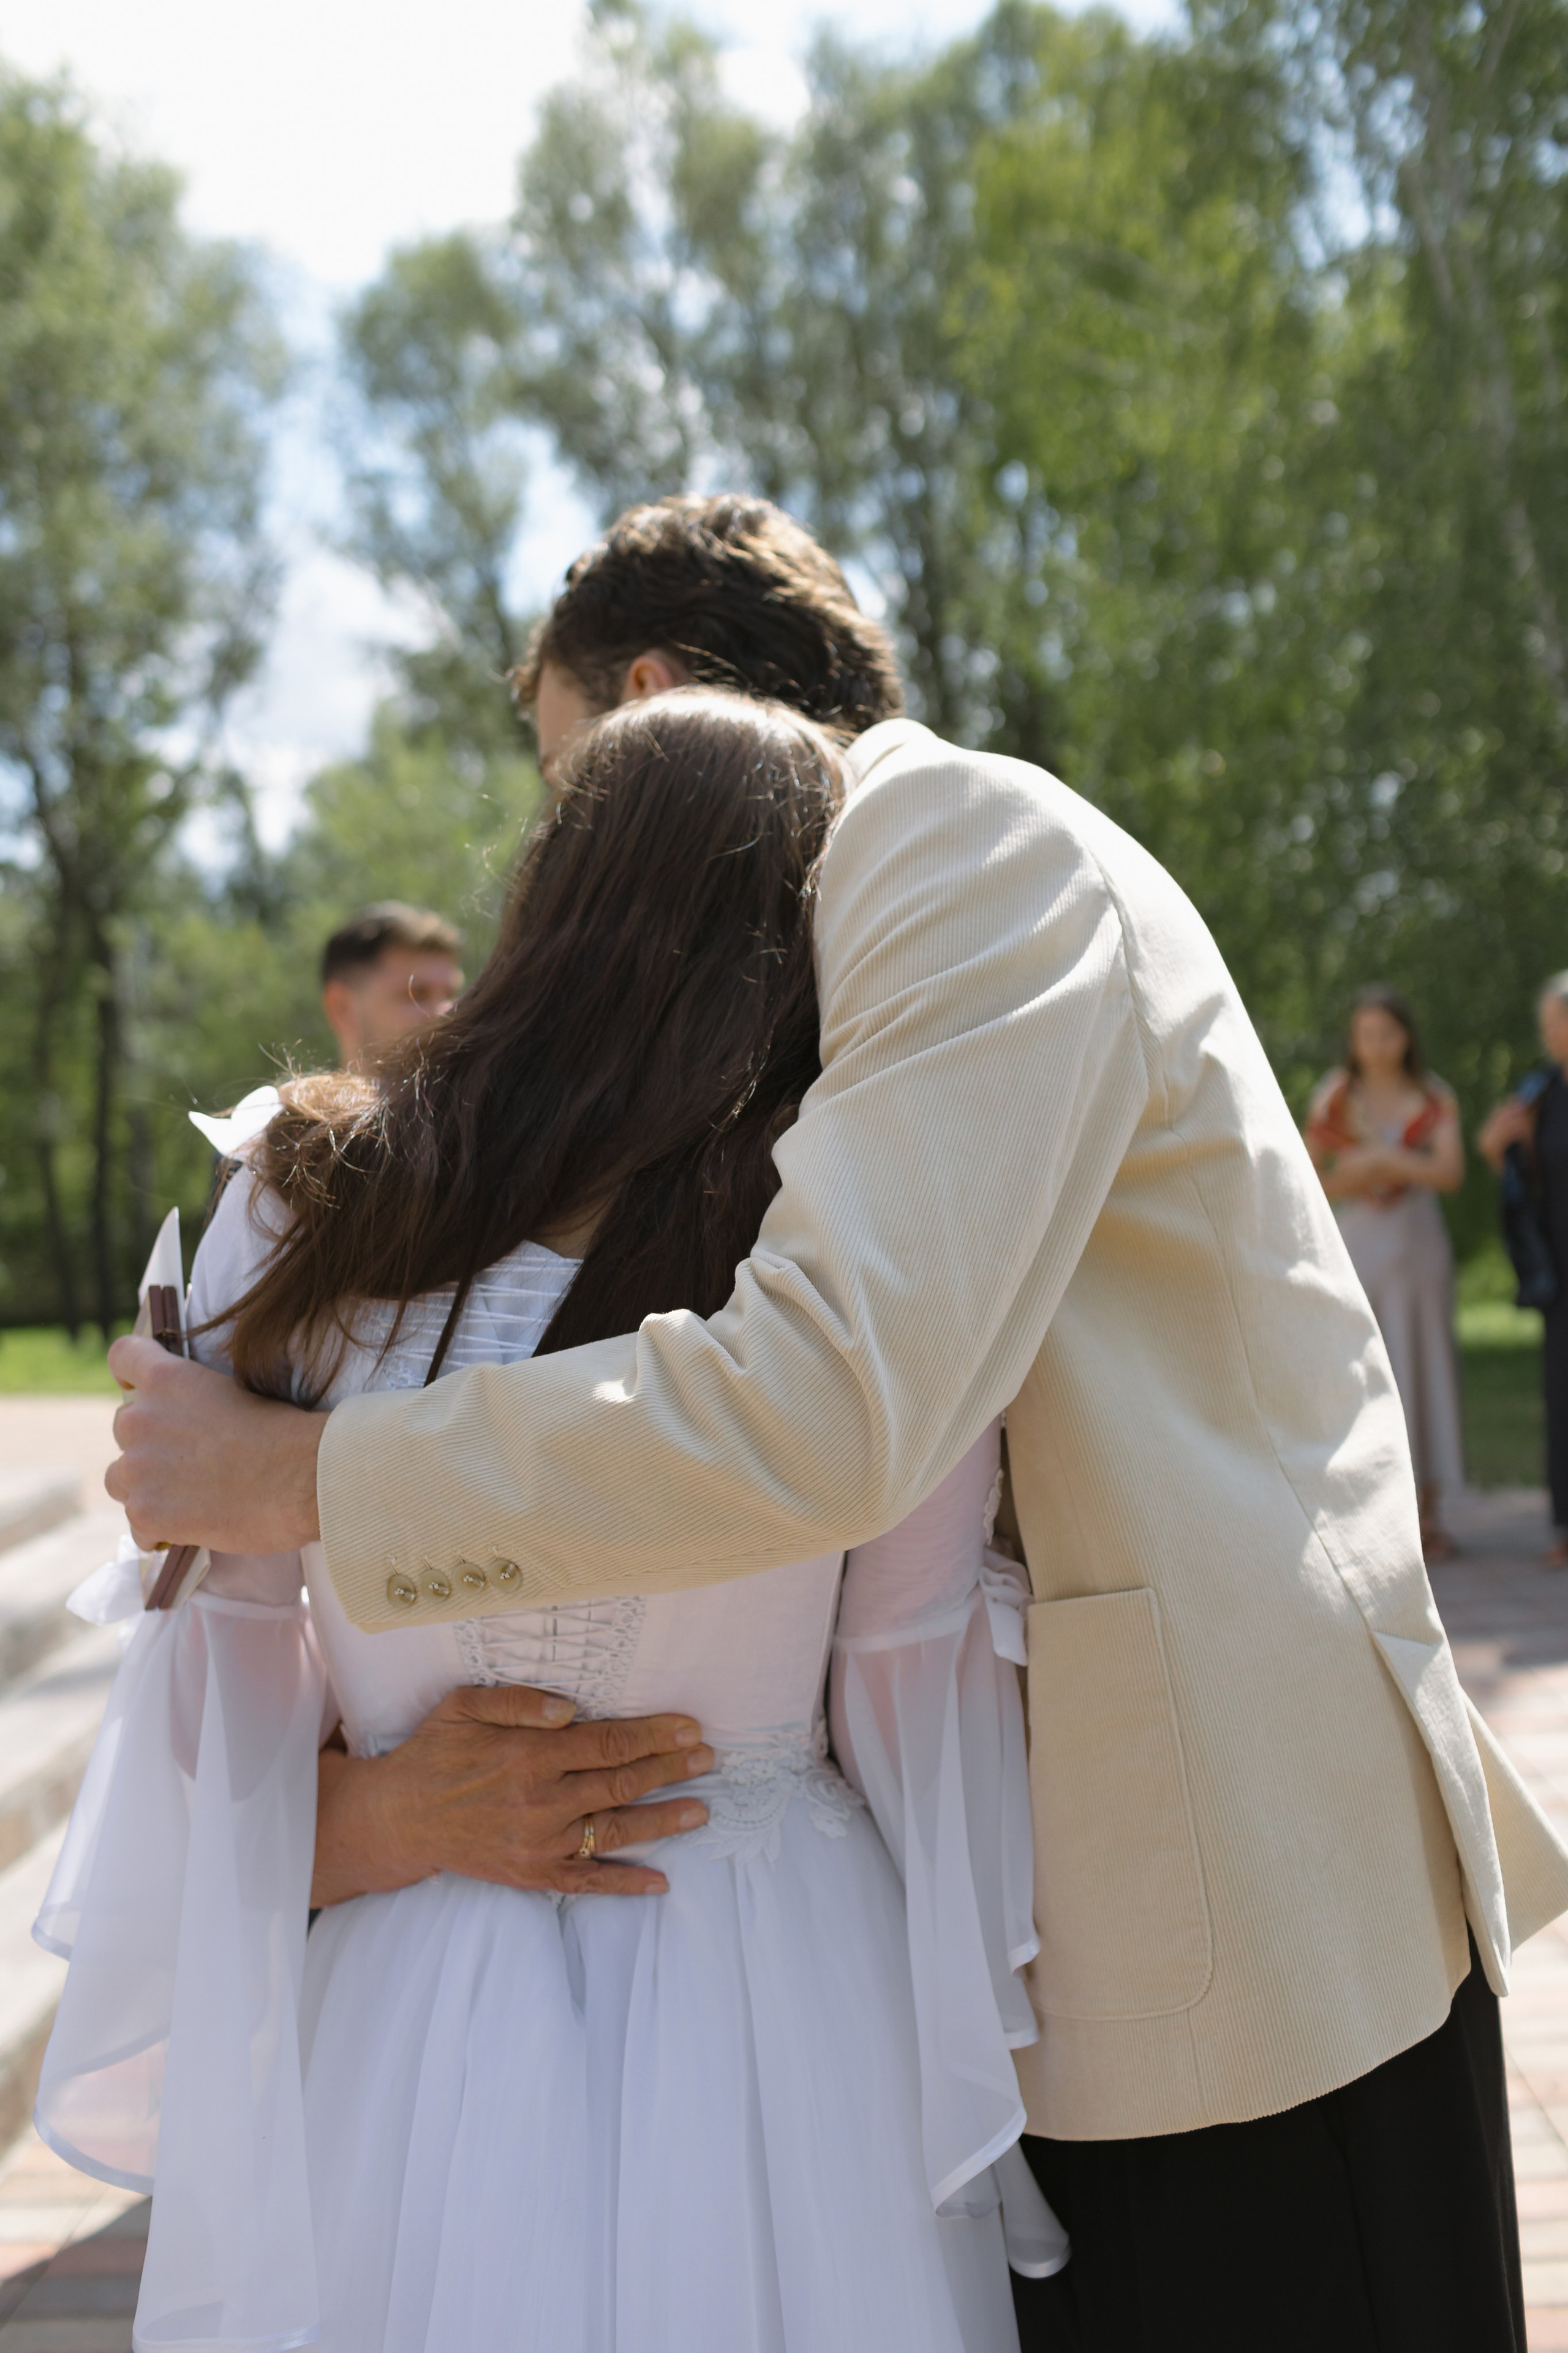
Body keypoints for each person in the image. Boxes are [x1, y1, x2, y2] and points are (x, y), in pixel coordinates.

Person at [105, 494, 1568, 2353]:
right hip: (1017, 1922)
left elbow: (829, 1396)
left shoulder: (946, 837)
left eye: (552, 767)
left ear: (639, 702)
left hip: (1208, 1905)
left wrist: (309, 1479)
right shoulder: (789, 975)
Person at [39, 693, 1058, 2352]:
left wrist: (381, 1824)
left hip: (408, 1996)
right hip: (776, 1992)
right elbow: (907, 1684)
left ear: (549, 897)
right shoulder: (855, 1246)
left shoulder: (299, 1208)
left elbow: (204, 1733)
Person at [1305, 987, 1466, 1561]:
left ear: (1405, 1037)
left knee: (1422, 1368)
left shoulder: (1432, 1096)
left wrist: (1383, 1161)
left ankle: (1429, 1514)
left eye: (1387, 1033)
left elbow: (1449, 1171)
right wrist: (1368, 1172)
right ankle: (1367, 1514)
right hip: (1360, 1246)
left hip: (1418, 1247)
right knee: (1362, 1372)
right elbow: (1309, 1174)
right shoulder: (1337, 1098)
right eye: (1365, 1033)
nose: (1375, 1045)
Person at [1480, 972, 1568, 1565]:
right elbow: (1518, 1176)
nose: (1553, 1035)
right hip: (1558, 1266)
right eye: (1548, 1026)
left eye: (1559, 1021)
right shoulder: (1540, 1094)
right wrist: (1495, 1148)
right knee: (1561, 1392)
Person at [319, 902, 464, 1068]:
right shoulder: (292, 1094)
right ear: (342, 1008)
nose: (445, 1014)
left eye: (451, 995)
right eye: (417, 995)